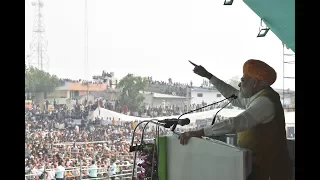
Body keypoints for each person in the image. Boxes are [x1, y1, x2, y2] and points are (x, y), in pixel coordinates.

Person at [179, 59, 292, 180]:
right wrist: (209, 76)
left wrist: (200, 132)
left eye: (243, 80)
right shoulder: (258, 96)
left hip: (269, 171)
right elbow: (234, 96)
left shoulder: (265, 102)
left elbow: (236, 123)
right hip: (257, 167)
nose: (239, 84)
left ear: (254, 82)